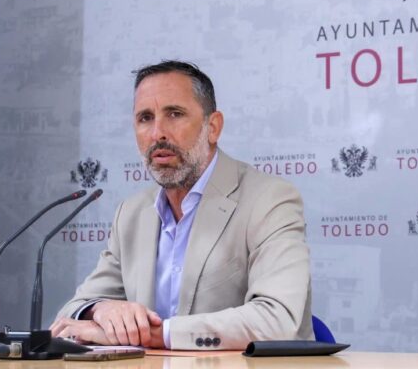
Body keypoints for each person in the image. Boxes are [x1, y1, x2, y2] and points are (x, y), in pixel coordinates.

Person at [50, 60, 313, 349]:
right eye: (145, 118)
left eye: (174, 114)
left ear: (213, 127)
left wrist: (155, 334)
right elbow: (70, 313)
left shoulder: (270, 199)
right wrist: (100, 310)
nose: (157, 134)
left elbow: (278, 321)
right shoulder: (131, 213)